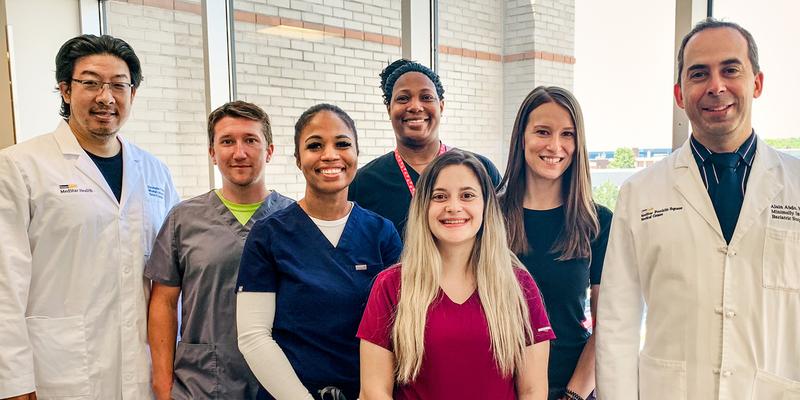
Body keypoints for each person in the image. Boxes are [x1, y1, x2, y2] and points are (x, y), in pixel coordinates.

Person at [595, 19, 800, 400]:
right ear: (679, 93)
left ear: (757, 83)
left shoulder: (796, 184)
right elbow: (617, 323)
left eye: (730, 69)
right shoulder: (640, 193)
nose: (716, 86)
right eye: (699, 73)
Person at [0, 34, 178, 400]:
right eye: (91, 83)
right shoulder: (19, 167)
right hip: (59, 371)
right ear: (65, 90)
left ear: (133, 94)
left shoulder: (156, 172)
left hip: (143, 367)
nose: (106, 97)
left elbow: (171, 273)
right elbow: (6, 281)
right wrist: (13, 381)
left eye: (118, 85)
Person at [236, 103, 403, 400]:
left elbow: (398, 330)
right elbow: (253, 337)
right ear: (299, 159)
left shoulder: (382, 234)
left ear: (356, 155)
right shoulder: (269, 235)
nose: (330, 154)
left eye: (342, 144)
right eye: (315, 145)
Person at [358, 150, 555, 400]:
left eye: (467, 195)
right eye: (439, 196)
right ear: (423, 207)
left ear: (486, 206)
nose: (453, 207)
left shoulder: (518, 286)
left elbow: (533, 391)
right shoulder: (391, 286)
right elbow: (374, 392)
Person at [145, 101, 293, 400]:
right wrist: (163, 387)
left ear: (270, 151)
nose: (239, 152)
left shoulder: (294, 219)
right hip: (201, 383)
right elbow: (163, 303)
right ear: (213, 153)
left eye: (251, 140)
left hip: (280, 382)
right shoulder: (183, 219)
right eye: (227, 141)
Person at [499, 87, 611, 400]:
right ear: (522, 138)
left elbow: (607, 325)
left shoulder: (598, 222)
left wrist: (572, 396)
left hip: (570, 386)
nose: (555, 146)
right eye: (542, 132)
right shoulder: (489, 216)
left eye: (567, 134)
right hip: (499, 384)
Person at [349, 59, 502, 236]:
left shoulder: (481, 170)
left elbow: (503, 237)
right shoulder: (363, 184)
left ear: (441, 106)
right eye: (403, 98)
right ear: (389, 109)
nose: (415, 106)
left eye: (426, 97)